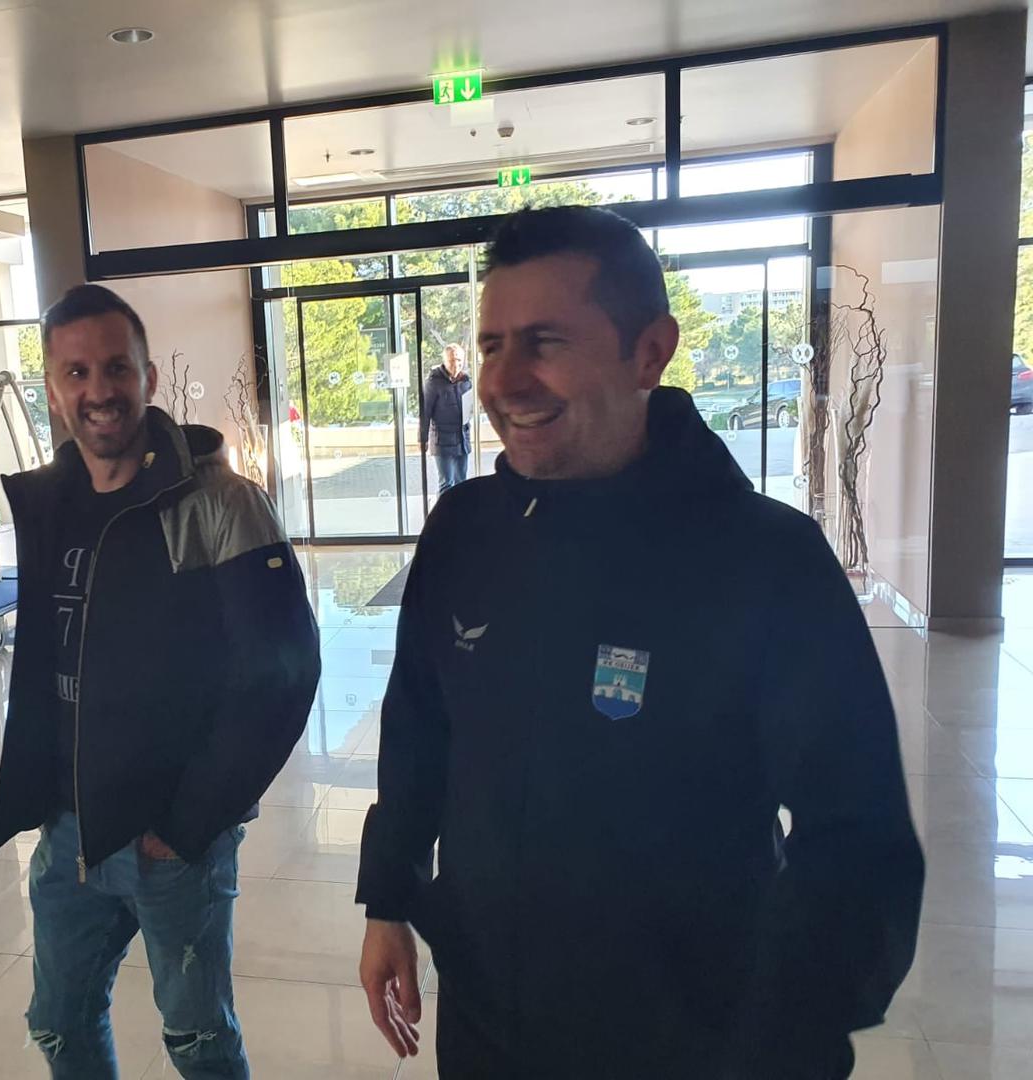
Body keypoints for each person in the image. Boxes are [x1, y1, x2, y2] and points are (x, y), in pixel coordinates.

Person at [355, 207, 924, 1079]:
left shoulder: (763, 559)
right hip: (486, 1023)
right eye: (493, 344)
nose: (504, 380)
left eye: (545, 342)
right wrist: (388, 897)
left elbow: (858, 839)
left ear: (650, 351)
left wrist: (792, 1039)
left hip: (689, 1040)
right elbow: (419, 727)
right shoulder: (465, 530)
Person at [0, 284, 321, 1079]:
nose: (98, 390)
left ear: (149, 377)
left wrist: (190, 821)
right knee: (59, 1022)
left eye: (116, 368)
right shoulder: (53, 504)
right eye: (76, 373)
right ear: (52, 389)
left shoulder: (219, 502)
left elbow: (282, 673)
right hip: (69, 830)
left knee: (197, 1041)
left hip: (172, 840)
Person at [420, 344, 473, 493]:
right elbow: (425, 412)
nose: (456, 364)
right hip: (442, 442)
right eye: (452, 360)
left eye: (459, 360)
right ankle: (445, 509)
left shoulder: (466, 381)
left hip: (462, 440)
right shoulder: (433, 382)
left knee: (462, 483)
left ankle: (462, 508)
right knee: (446, 484)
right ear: (444, 361)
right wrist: (422, 438)